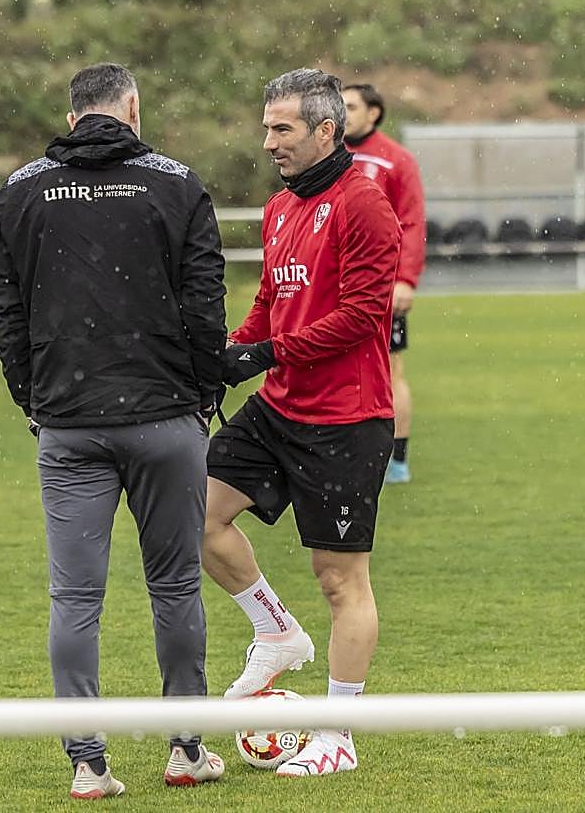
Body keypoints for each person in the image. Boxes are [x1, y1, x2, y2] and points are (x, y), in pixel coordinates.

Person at [0, 62, 227, 800]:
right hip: (164, 418)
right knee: (177, 587)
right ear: (131, 108)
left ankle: (88, 762)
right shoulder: (178, 183)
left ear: (72, 116)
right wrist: (203, 391)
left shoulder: (20, 191)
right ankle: (187, 747)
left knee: (75, 597)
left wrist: (34, 399)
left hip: (68, 422)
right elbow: (205, 304)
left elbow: (6, 314)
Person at [203, 68, 399, 777]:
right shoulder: (281, 206)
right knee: (195, 517)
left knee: (341, 580)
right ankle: (276, 632)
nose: (268, 142)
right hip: (279, 408)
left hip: (347, 420)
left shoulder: (365, 204)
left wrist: (269, 350)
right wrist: (233, 354)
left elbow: (362, 317)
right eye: (266, 128)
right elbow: (271, 300)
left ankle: (338, 735)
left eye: (281, 129)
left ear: (325, 130)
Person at [342, 83, 426, 484]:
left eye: (351, 106)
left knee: (390, 370)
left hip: (380, 287)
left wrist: (405, 279)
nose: (343, 113)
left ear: (373, 112)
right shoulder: (327, 156)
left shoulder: (396, 160)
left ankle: (397, 459)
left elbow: (412, 222)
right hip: (333, 284)